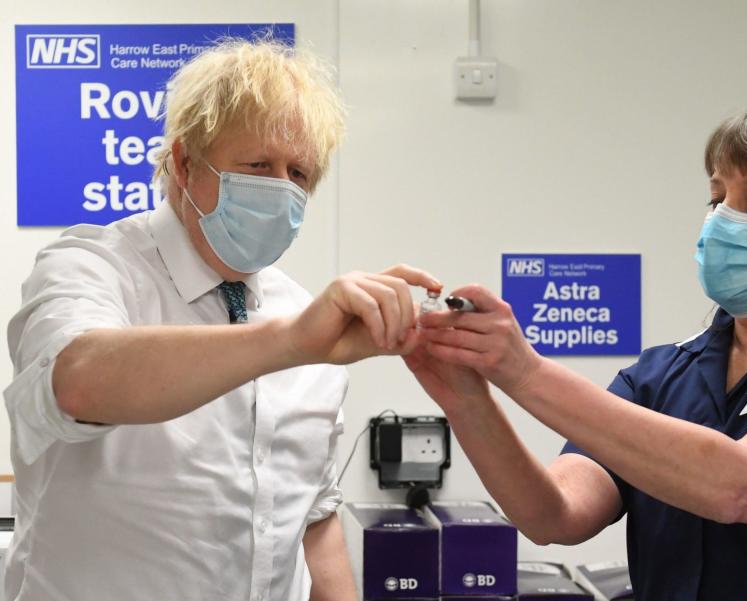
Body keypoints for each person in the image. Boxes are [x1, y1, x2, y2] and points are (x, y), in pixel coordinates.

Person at [407, 100, 747, 600]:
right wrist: (467, 395)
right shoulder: (661, 374)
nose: (723, 223)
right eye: (718, 200)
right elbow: (555, 515)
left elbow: (745, 486)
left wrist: (523, 370)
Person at [4, 39, 437, 601]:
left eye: (298, 174)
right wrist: (291, 342)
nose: (281, 189)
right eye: (258, 166)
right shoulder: (94, 267)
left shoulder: (303, 319)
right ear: (184, 164)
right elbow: (78, 381)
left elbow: (312, 516)